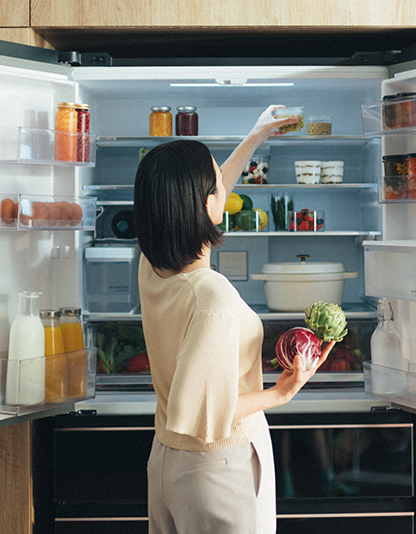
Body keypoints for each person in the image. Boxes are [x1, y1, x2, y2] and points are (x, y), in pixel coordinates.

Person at [133, 105, 335, 534]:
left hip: (166, 461)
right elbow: (206, 413)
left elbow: (216, 185)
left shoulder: (151, 266)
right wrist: (281, 393)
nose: (224, 185)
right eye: (216, 183)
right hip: (215, 467)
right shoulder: (212, 295)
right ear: (206, 203)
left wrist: (256, 136)